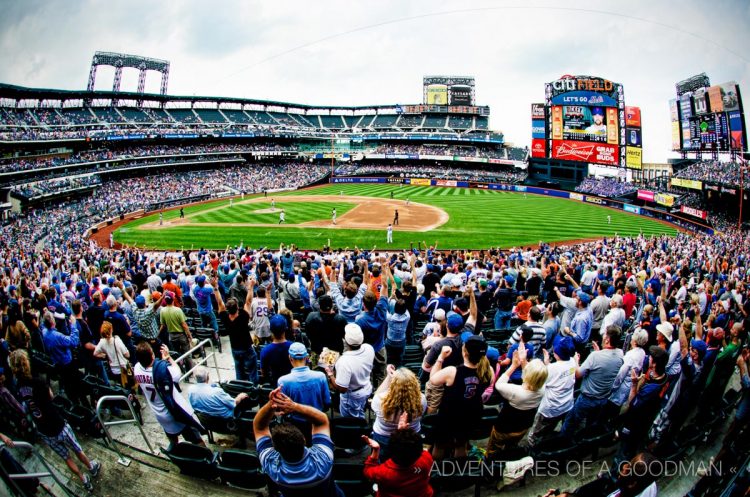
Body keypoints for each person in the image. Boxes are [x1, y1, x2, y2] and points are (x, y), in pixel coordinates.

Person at [10, 350, 102, 492]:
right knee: (77, 449)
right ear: (26, 364)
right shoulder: (38, 382)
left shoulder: (18, 387)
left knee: (66, 457)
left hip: (44, 431)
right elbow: (51, 396)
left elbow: (25, 405)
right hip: (58, 424)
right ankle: (91, 467)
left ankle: (83, 480)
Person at [254, 388, 343, 497]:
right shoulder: (322, 460)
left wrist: (271, 404)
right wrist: (294, 406)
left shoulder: (272, 465)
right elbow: (321, 421)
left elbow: (259, 427)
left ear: (276, 449)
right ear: (304, 440)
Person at [428, 335, 492, 459]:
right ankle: (459, 471)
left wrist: (440, 358)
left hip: (449, 415)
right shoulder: (488, 370)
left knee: (440, 445)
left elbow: (433, 379)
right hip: (471, 414)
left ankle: (437, 471)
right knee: (461, 445)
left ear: (464, 352)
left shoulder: (452, 371)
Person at [133, 342, 205, 450]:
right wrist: (168, 358)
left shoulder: (137, 368)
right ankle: (209, 459)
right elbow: (177, 373)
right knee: (197, 441)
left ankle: (176, 456)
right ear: (152, 355)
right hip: (175, 413)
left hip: (160, 415)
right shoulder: (164, 370)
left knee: (173, 440)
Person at [561, 326, 623, 437]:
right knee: (590, 424)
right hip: (603, 399)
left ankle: (563, 444)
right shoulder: (620, 354)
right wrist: (599, 352)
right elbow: (605, 364)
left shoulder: (594, 356)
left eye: (605, 334)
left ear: (607, 339)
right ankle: (584, 442)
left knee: (571, 422)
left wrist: (576, 361)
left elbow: (578, 374)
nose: (603, 336)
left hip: (587, 398)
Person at [488, 349, 548, 461]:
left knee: (494, 448)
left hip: (504, 427)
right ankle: (509, 455)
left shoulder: (516, 391)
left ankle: (491, 463)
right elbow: (534, 376)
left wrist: (514, 366)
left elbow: (499, 384)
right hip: (523, 426)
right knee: (512, 444)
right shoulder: (543, 389)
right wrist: (523, 360)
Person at [526, 336, 577, 447]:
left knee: (534, 434)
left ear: (556, 352)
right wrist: (547, 363)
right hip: (566, 405)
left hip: (550, 409)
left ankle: (533, 452)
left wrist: (544, 365)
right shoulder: (572, 362)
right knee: (550, 428)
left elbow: (535, 384)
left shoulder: (551, 369)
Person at [278, 342, 331, 444]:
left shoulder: (283, 381)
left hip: (295, 425)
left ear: (290, 358)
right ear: (307, 357)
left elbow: (283, 408)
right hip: (317, 421)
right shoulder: (320, 376)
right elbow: (327, 403)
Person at [370, 366, 426, 461]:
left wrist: (388, 377)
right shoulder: (422, 399)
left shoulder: (380, 400)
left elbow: (376, 395)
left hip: (383, 437)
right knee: (408, 461)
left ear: (392, 385)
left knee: (383, 462)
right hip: (411, 436)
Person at [363, 427, 434, 497]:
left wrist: (376, 450)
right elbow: (413, 447)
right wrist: (403, 432)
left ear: (390, 452)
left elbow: (368, 470)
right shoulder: (427, 458)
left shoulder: (383, 473)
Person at [325, 323, 374, 419]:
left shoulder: (344, 361)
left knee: (352, 421)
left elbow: (342, 389)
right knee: (360, 414)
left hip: (352, 396)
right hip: (366, 388)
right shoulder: (369, 348)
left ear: (345, 340)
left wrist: (330, 374)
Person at [214, 278, 258, 383]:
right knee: (252, 371)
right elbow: (248, 301)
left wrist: (215, 287)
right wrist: (251, 286)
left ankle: (240, 388)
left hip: (235, 348)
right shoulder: (243, 316)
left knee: (239, 371)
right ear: (237, 307)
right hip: (246, 348)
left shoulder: (225, 317)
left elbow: (220, 303)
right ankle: (254, 390)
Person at [159, 292, 194, 374]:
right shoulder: (178, 310)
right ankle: (190, 371)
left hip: (171, 336)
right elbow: (184, 325)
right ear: (173, 300)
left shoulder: (162, 311)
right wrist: (189, 336)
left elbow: (163, 325)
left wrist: (158, 334)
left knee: (177, 354)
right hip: (181, 335)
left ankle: (181, 370)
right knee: (187, 354)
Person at [260, 314, 293, 388]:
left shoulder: (265, 350)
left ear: (271, 330)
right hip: (292, 385)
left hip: (276, 386)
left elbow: (263, 373)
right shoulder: (293, 347)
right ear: (285, 328)